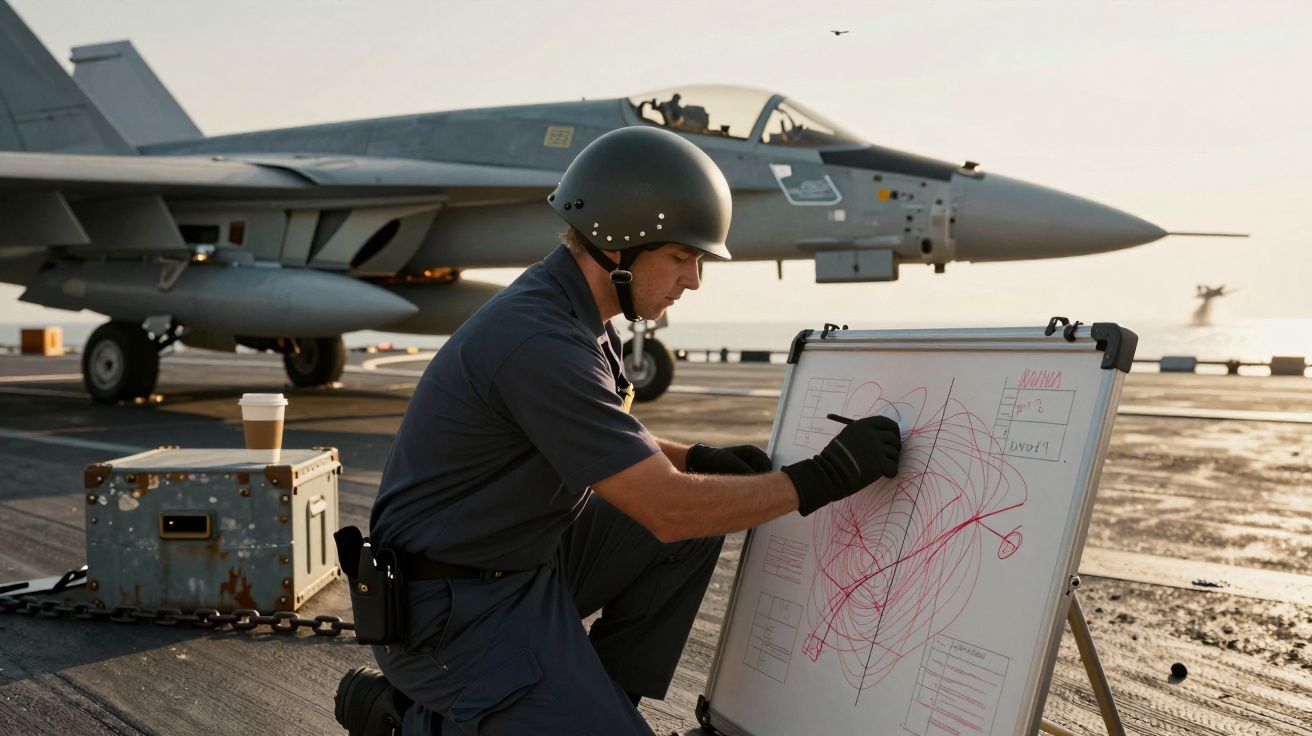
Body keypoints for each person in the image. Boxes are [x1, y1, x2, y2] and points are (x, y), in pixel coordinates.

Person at [335, 126, 902, 735]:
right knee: (686, 519)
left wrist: (697, 456)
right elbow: (667, 509)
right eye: (681, 258)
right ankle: (414, 722)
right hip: (448, 615)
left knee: (688, 536)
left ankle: (588, 704)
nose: (693, 281)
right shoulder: (541, 340)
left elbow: (600, 436)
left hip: (516, 566)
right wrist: (825, 476)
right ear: (617, 248)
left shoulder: (575, 311)